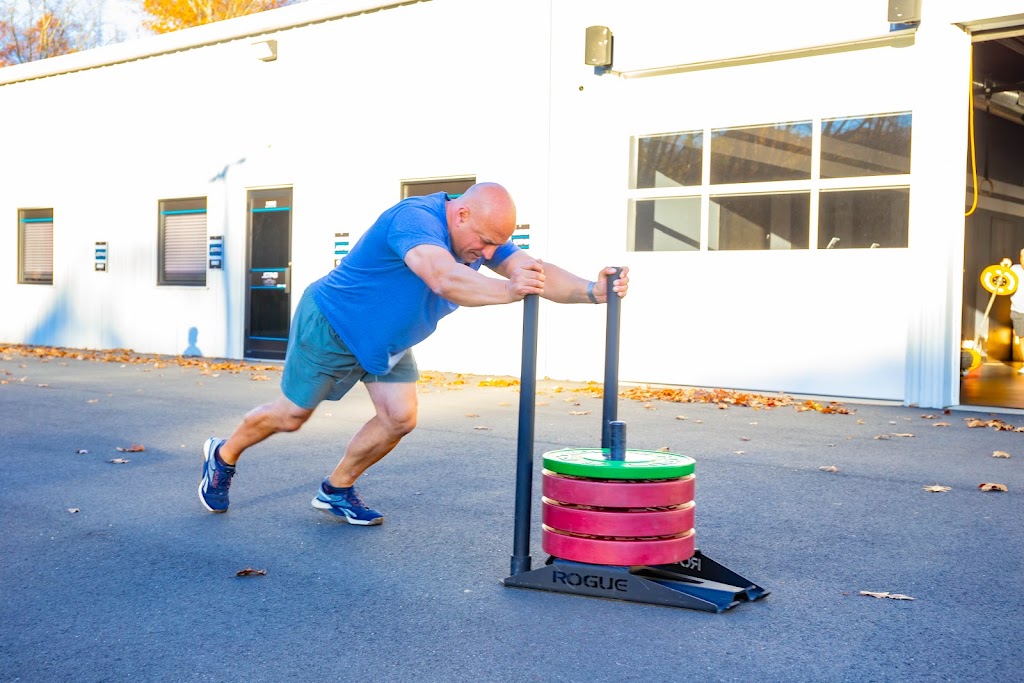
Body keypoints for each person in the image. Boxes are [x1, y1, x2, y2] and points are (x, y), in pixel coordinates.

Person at [198, 182, 629, 524]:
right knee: (290, 416)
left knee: (399, 418)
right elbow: (443, 277)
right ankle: (223, 455)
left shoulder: (480, 236)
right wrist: (508, 290)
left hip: (388, 340)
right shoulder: (414, 220)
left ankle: (336, 489)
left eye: (497, 245)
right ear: (461, 214)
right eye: (484, 242)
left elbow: (530, 272)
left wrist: (594, 292)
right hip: (334, 324)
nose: (488, 253)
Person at [1011, 249, 1024, 374]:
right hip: (1018, 309)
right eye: (1021, 256)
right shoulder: (1014, 269)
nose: (1023, 259)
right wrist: (1003, 265)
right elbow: (1002, 277)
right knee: (1021, 338)